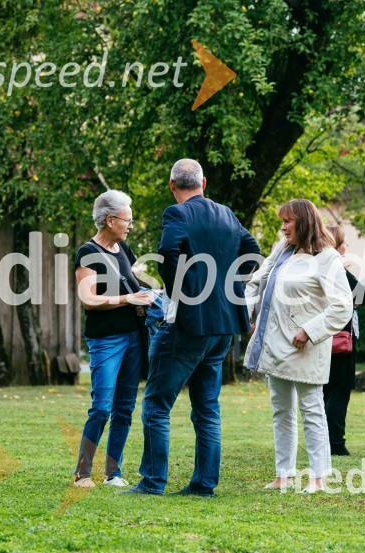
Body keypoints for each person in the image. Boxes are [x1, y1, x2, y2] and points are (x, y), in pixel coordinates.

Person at [126, 159, 261, 497]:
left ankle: (153, 482)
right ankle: (204, 484)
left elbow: (166, 250)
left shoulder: (177, 214)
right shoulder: (227, 214)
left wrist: (183, 292)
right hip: (224, 326)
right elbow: (253, 252)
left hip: (188, 324)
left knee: (156, 404)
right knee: (207, 408)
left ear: (172, 185)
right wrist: (229, 289)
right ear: (203, 182)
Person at [245, 199, 353, 493]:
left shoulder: (326, 258)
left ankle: (318, 476)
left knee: (311, 409)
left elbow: (342, 306)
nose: (282, 228)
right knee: (281, 410)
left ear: (304, 223)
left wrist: (310, 330)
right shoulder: (282, 249)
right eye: (282, 222)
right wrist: (246, 314)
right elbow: (257, 282)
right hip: (275, 343)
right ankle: (284, 474)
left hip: (304, 346)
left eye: (287, 222)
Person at [72, 190, 155, 488]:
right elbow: (88, 300)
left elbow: (132, 282)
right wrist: (129, 298)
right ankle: (82, 473)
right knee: (102, 407)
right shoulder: (88, 253)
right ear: (110, 220)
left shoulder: (125, 249)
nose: (131, 225)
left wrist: (151, 296)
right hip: (106, 339)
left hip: (134, 336)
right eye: (127, 220)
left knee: (124, 408)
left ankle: (113, 472)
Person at [323, 225, 365, 456]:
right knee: (339, 392)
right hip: (340, 341)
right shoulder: (337, 270)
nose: (347, 246)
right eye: (344, 242)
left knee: (324, 392)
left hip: (322, 339)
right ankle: (336, 444)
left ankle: (323, 441)